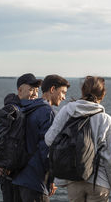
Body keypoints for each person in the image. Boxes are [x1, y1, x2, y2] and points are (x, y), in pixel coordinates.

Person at [45, 76, 111, 202]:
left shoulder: (67, 111)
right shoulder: (106, 120)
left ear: (83, 91)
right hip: (99, 182)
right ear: (102, 94)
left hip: (73, 180)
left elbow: (49, 139)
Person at [12, 74, 70, 202]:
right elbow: (47, 150)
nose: (64, 97)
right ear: (52, 89)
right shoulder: (47, 112)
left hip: (18, 178)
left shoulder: (27, 108)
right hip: (35, 181)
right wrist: (51, 179)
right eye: (62, 92)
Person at [0, 73, 43, 202]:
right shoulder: (11, 109)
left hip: (21, 171)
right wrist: (1, 164)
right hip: (8, 172)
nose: (35, 94)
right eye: (31, 90)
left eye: (36, 90)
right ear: (20, 90)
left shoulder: (28, 108)